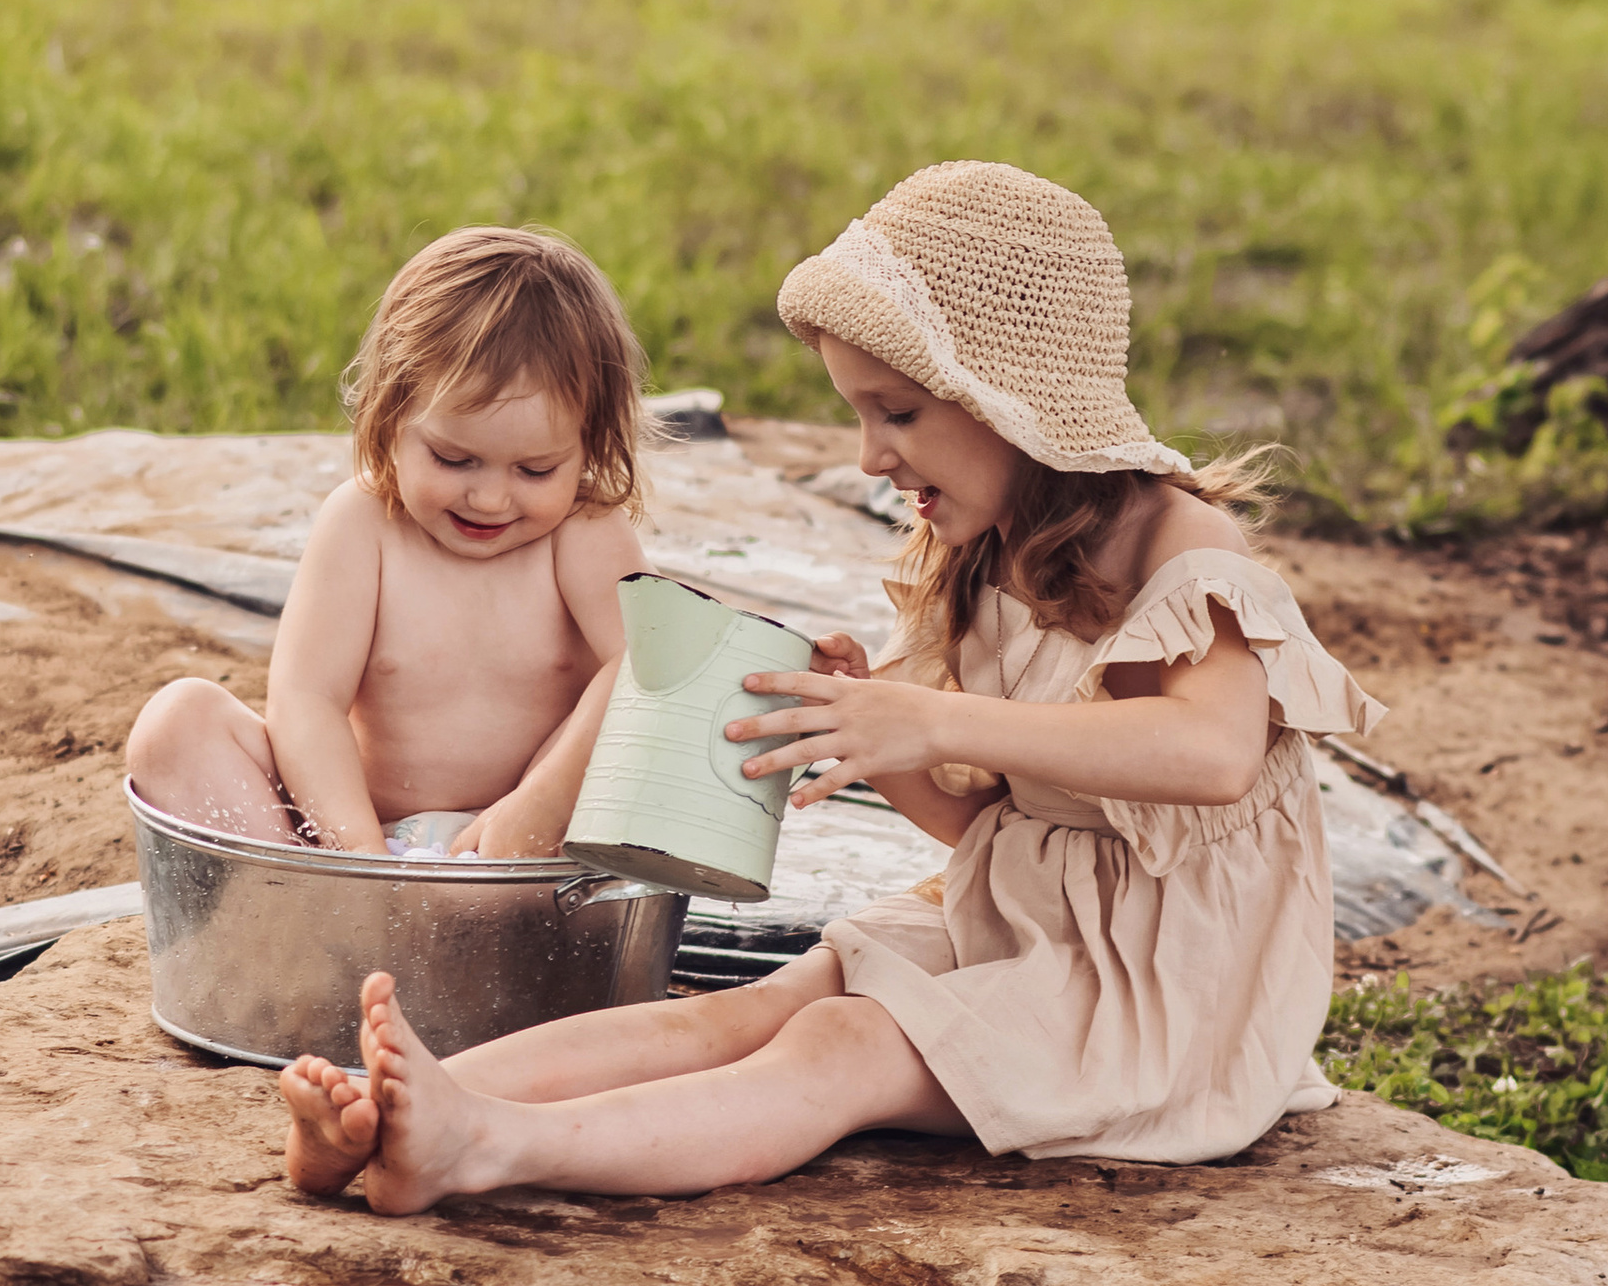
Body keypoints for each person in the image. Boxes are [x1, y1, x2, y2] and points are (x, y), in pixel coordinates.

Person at [281, 160, 1382, 1215]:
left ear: (1011, 398)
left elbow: (1212, 755)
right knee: (763, 1007)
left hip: (1160, 996)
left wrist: (930, 716)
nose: (867, 457)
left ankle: (486, 1146)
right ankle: (398, 1109)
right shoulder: (987, 552)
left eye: (895, 413)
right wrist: (873, 744)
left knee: (840, 1046)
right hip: (1021, 922)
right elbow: (996, 827)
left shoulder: (1184, 549)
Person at [128, 227, 650, 861]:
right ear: (391, 416)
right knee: (176, 722)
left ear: (589, 446)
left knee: (662, 711)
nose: (488, 499)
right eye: (453, 459)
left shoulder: (583, 530)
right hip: (364, 842)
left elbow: (649, 665)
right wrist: (358, 855)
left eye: (535, 470)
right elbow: (307, 700)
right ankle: (317, 909)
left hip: (533, 850)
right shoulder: (364, 524)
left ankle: (373, 919)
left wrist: (540, 803)